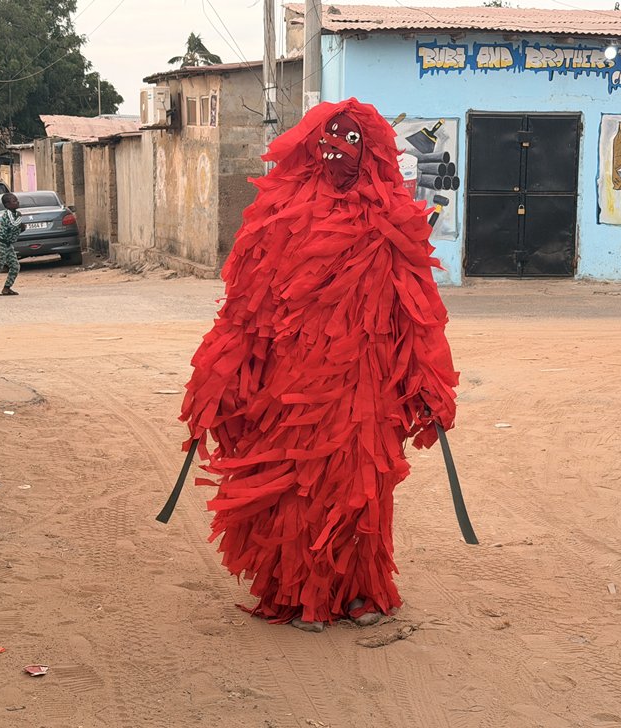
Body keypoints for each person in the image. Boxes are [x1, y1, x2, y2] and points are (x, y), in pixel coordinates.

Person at [179, 98, 458, 632]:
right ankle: (293, 591)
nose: (337, 150)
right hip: (287, 384)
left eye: (352, 141)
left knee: (360, 488)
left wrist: (427, 380)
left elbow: (417, 311)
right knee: (293, 484)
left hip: (364, 388)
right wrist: (220, 375)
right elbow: (244, 311)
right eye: (329, 139)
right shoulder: (276, 220)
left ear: (371, 151)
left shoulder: (392, 223)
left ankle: (359, 590)